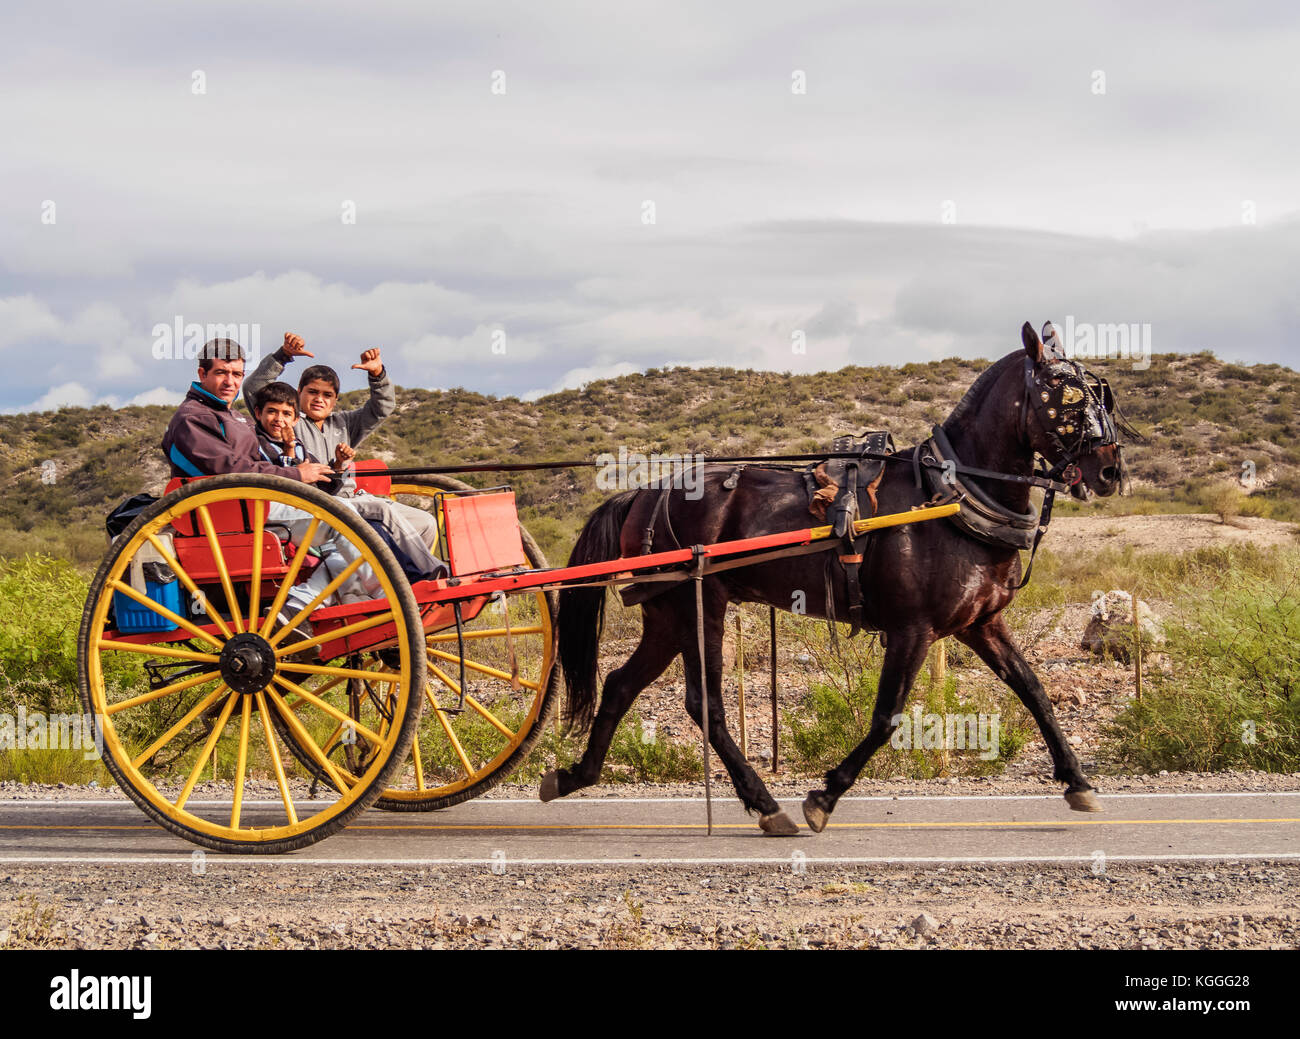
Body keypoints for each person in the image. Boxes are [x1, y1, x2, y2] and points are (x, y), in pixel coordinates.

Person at [160, 338, 378, 633]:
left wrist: (316, 469)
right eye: (222, 373)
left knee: (343, 529)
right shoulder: (194, 418)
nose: (230, 382)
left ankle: (310, 604)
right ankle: (382, 596)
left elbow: (257, 463)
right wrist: (295, 475)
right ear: (202, 374)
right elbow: (234, 470)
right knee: (341, 520)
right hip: (230, 519)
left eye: (236, 374)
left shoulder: (231, 416)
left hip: (251, 507)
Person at [243, 334, 442, 554]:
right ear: (299, 393)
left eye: (327, 395)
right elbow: (254, 389)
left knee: (426, 523)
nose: (320, 399)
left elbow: (381, 408)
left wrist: (378, 375)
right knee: (380, 516)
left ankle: (407, 583)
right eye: (313, 392)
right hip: (325, 506)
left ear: (335, 400)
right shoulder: (289, 421)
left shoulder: (345, 423)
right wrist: (284, 355)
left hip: (354, 498)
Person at [251, 380, 448, 582]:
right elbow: (286, 483)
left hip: (326, 502)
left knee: (426, 522)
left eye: (286, 414)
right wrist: (289, 450)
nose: (279, 420)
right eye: (272, 412)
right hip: (299, 513)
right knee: (379, 510)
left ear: (294, 420)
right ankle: (415, 577)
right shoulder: (258, 443)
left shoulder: (310, 439)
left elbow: (326, 481)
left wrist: (339, 464)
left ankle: (416, 578)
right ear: (258, 413)